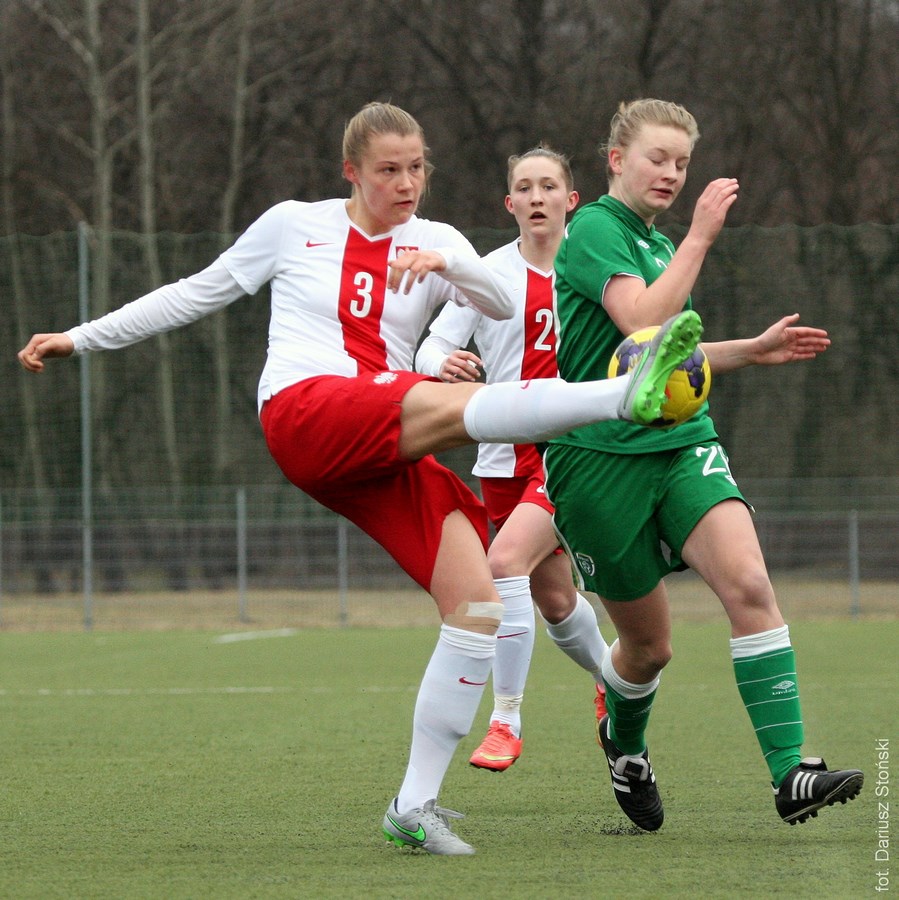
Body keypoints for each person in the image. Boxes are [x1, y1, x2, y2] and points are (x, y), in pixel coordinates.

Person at [17, 102, 707, 856]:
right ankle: (621, 395)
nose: (406, 183)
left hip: (380, 440)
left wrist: (453, 265)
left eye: (417, 168)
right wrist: (79, 337)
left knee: (475, 604)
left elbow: (504, 301)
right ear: (351, 171)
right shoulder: (292, 225)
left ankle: (414, 806)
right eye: (387, 170)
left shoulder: (436, 240)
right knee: (452, 407)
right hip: (306, 412)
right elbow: (194, 292)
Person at [543, 98, 863, 833]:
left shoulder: (656, 244)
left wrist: (747, 351)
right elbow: (641, 322)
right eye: (657, 157)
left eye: (682, 162)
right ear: (616, 159)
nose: (671, 173)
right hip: (596, 463)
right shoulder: (593, 229)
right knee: (648, 650)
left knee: (749, 582)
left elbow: (664, 358)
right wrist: (699, 238)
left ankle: (791, 773)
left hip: (682, 444)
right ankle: (622, 746)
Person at [416, 146, 610, 773]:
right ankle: (616, 675)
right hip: (502, 455)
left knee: (502, 565)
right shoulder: (490, 273)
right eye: (523, 188)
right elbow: (436, 344)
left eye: (548, 186)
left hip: (572, 448)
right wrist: (437, 364)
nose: (535, 197)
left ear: (569, 200)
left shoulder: (597, 267)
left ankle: (506, 719)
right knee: (553, 600)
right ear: (509, 204)